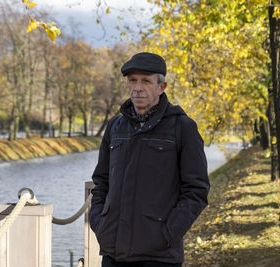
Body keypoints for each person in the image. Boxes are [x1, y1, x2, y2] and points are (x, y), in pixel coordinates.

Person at [89, 52, 210, 267]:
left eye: (145, 81)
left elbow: (196, 191)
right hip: (114, 252)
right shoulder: (115, 127)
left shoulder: (182, 128)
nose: (137, 88)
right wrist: (100, 224)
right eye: (133, 81)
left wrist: (167, 234)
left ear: (161, 86)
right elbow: (101, 182)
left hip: (159, 255)